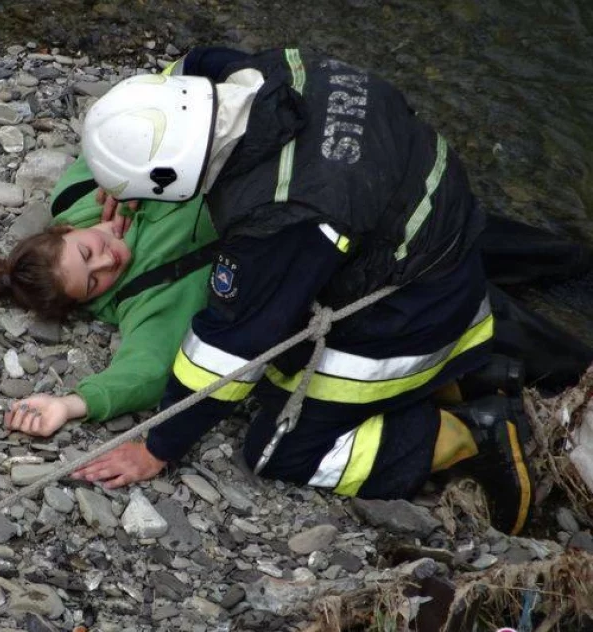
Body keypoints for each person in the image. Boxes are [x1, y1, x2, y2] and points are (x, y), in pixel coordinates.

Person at [74, 46, 543, 534]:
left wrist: (158, 447)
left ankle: (472, 432)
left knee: (280, 449)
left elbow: (229, 349)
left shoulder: (281, 217)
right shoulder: (272, 70)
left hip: (416, 307)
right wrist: (128, 173)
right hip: (440, 228)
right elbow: (191, 67)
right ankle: (470, 372)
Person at [0, 153, 218, 436]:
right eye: (93, 282)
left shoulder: (78, 191)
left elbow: (123, 121)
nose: (107, 262)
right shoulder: (143, 297)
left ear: (67, 229)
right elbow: (146, 371)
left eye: (87, 252)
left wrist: (128, 170)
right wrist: (71, 405)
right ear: (86, 300)